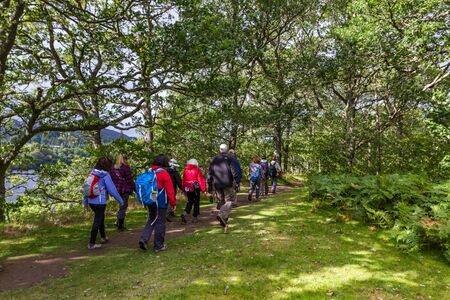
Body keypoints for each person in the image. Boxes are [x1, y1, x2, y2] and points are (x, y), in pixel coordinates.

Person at [83, 157, 124, 250]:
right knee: (97, 221)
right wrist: (121, 201)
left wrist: (85, 201)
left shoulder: (92, 173)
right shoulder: (105, 175)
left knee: (100, 218)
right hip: (100, 202)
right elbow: (112, 190)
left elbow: (85, 188)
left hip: (91, 201)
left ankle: (103, 237)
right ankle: (91, 243)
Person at [139, 154, 175, 252]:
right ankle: (159, 245)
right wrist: (173, 203)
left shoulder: (149, 171)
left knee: (152, 219)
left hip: (150, 200)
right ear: (165, 163)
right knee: (160, 222)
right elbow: (170, 190)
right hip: (160, 202)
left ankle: (144, 238)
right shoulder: (163, 173)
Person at [208, 144, 237, 232]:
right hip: (227, 183)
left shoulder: (214, 159)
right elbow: (233, 170)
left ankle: (223, 220)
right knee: (230, 200)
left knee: (221, 201)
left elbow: (210, 172)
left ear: (220, 150)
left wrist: (209, 184)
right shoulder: (229, 158)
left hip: (217, 183)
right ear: (227, 150)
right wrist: (236, 180)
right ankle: (222, 214)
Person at [111, 154, 135, 231]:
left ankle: (118, 222)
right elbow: (129, 179)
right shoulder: (125, 167)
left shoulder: (112, 168)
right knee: (123, 207)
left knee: (121, 206)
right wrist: (134, 188)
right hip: (124, 189)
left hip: (116, 189)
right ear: (125, 159)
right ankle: (120, 226)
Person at [181, 159, 206, 224]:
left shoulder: (185, 171)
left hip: (188, 188)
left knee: (190, 201)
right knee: (196, 202)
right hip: (195, 187)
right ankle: (195, 217)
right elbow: (200, 180)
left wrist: (183, 190)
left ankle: (185, 213)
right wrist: (203, 189)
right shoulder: (197, 170)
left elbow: (183, 181)